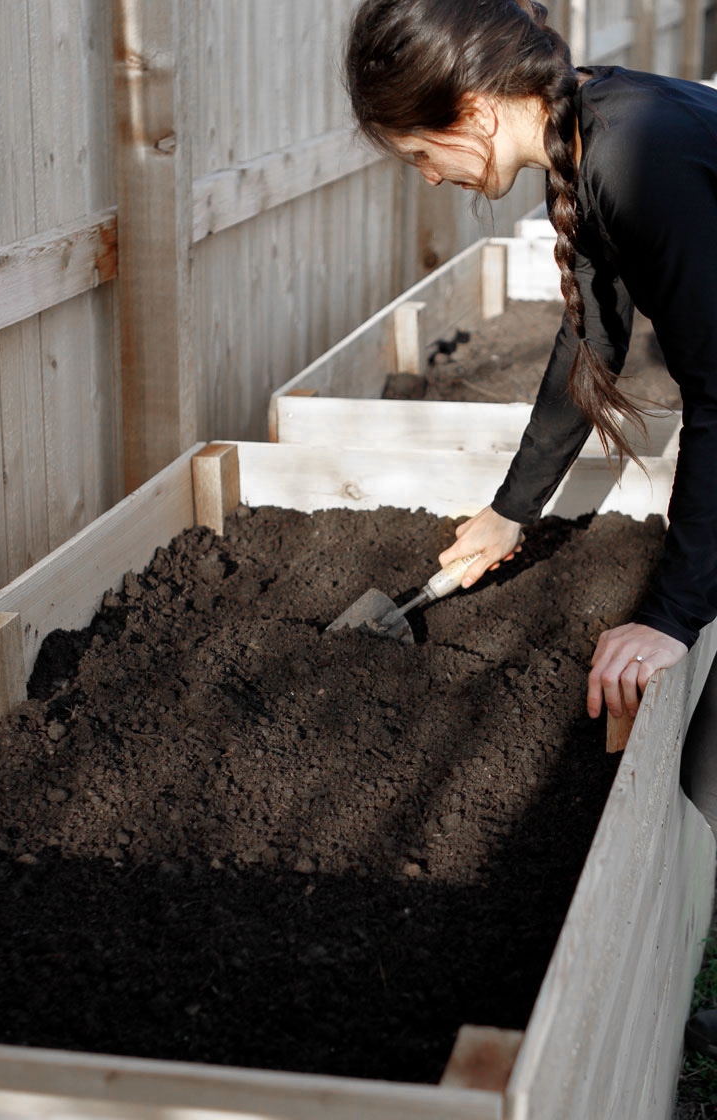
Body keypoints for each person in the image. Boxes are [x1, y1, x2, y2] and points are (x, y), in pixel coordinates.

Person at [344, 0, 717, 1055]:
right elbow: (591, 330)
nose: (424, 178)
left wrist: (672, 616)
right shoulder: (590, 133)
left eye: (418, 152)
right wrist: (512, 509)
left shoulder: (634, 149)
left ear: (467, 110)